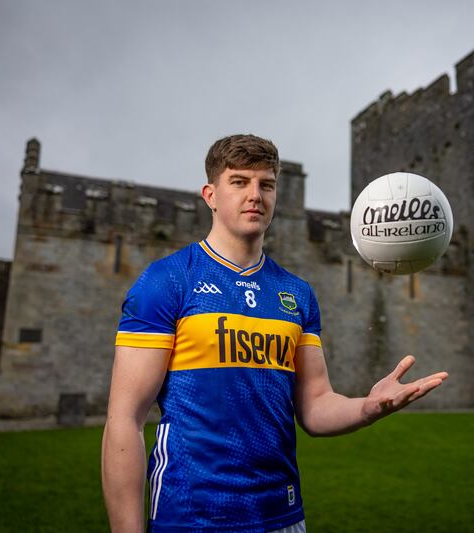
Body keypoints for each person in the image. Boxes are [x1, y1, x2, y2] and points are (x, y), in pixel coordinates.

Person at [101, 134, 449, 533]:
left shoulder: (296, 294)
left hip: (283, 516)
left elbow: (315, 406)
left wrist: (368, 408)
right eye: (239, 182)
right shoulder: (168, 281)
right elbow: (124, 420)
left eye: (266, 184)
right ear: (210, 194)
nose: (255, 195)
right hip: (191, 518)